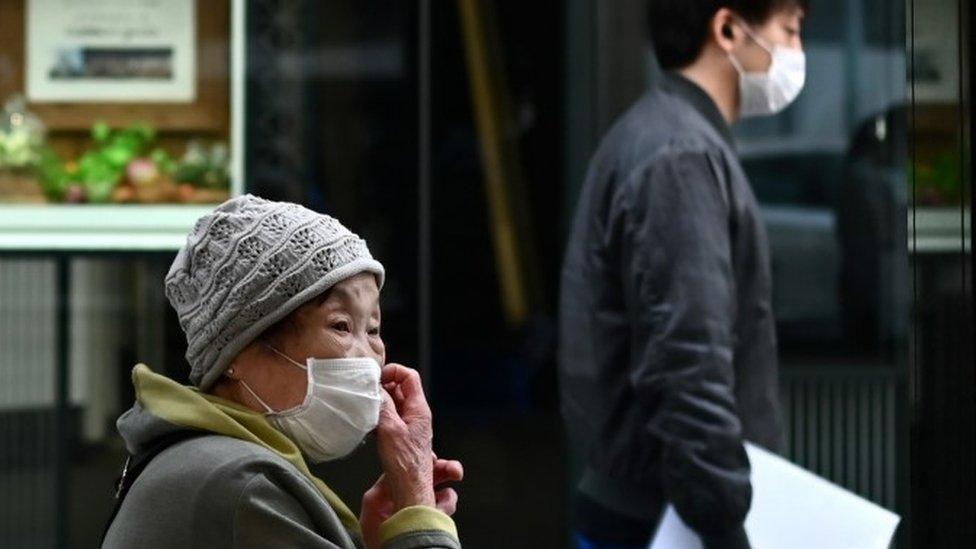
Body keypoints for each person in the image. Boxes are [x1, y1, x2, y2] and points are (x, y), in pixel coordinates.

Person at [559, 1, 807, 547]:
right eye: (790, 29)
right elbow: (688, 359)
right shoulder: (681, 154)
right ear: (726, 28)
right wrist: (724, 520)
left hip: (657, 510)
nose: (798, 51)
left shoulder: (666, 136)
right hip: (666, 521)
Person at [103, 194, 463, 549]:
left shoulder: (212, 463)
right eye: (340, 326)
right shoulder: (243, 486)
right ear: (237, 353)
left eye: (372, 329)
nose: (368, 357)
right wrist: (417, 505)